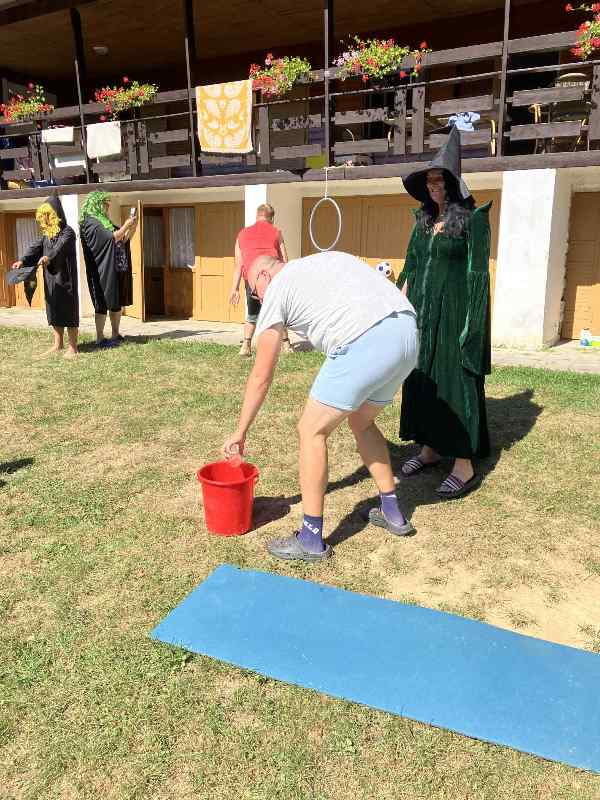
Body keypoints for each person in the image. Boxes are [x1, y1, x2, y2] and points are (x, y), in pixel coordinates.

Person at [222, 251, 419, 562]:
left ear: (264, 276)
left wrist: (240, 430)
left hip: (365, 337)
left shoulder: (277, 287)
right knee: (361, 422)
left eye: (254, 290)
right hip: (407, 332)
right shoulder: (322, 261)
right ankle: (391, 511)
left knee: (311, 430)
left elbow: (262, 374)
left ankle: (311, 538)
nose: (257, 298)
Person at [396, 126, 492, 500]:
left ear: (452, 183)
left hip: (455, 317)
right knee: (424, 379)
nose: (434, 186)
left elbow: (478, 277)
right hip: (423, 315)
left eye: (440, 180)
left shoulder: (473, 220)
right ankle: (430, 448)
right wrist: (398, 308)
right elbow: (411, 265)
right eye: (430, 180)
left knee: (454, 383)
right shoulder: (422, 222)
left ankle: (464, 464)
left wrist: (472, 329)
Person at [7, 193, 79, 358]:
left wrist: (49, 257)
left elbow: (59, 248)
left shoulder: (67, 232)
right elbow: (35, 248)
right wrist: (22, 261)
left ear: (54, 214)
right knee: (53, 309)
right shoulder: (47, 235)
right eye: (43, 216)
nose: (44, 219)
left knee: (68, 310)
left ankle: (73, 347)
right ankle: (58, 344)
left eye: (47, 215)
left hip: (66, 278)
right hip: (50, 279)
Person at [228, 203, 293, 356]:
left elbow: (239, 264)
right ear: (272, 218)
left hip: (252, 281)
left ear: (257, 216)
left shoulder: (242, 234)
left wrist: (234, 289)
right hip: (273, 279)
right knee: (278, 312)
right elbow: (284, 260)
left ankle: (246, 346)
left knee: (252, 314)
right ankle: (286, 345)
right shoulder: (276, 232)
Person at [79, 191, 136, 348]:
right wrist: (126, 226)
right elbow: (111, 238)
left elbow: (122, 239)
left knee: (115, 302)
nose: (108, 207)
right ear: (96, 204)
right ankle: (100, 338)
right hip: (101, 271)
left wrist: (131, 227)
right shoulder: (90, 223)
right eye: (105, 203)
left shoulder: (104, 222)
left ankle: (115, 334)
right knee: (101, 304)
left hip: (115, 268)